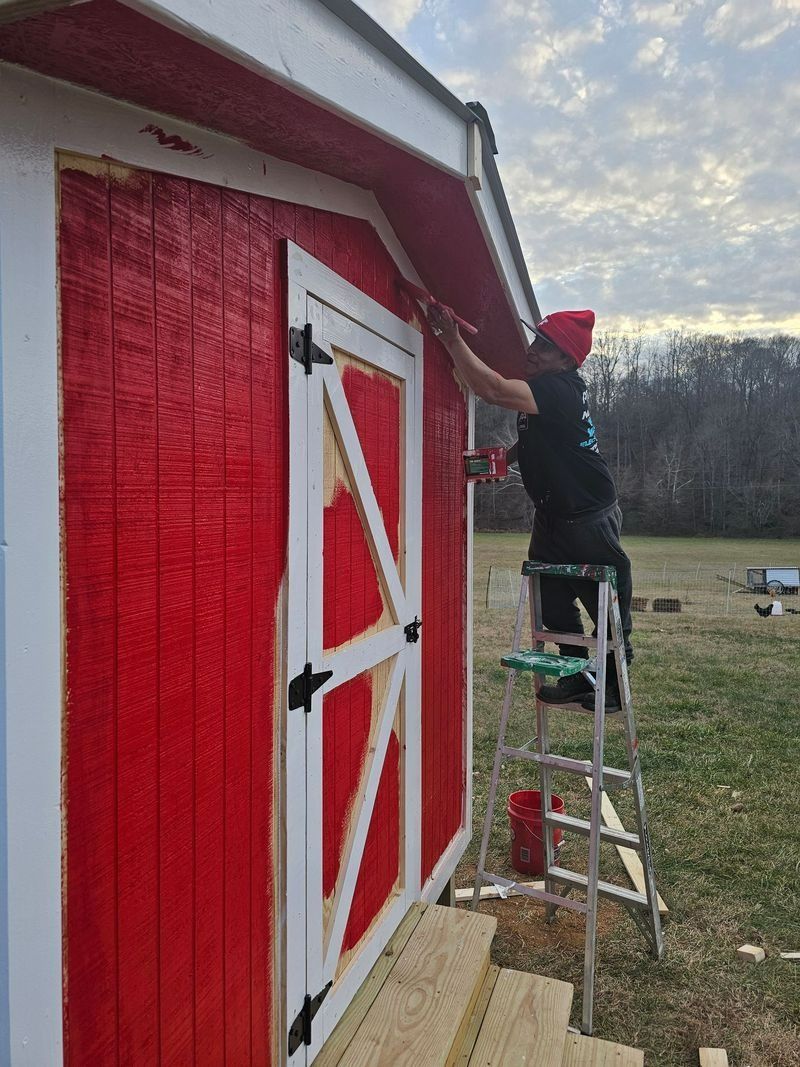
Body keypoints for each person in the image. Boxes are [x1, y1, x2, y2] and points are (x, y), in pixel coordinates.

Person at [427, 304, 632, 711]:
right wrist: (505, 459)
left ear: (565, 360)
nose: (534, 349)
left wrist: (451, 337)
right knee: (550, 597)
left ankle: (612, 690)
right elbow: (540, 440)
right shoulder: (544, 390)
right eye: (537, 339)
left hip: (588, 515)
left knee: (605, 607)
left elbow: (494, 389)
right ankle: (576, 676)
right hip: (554, 516)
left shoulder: (560, 390)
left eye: (545, 344)